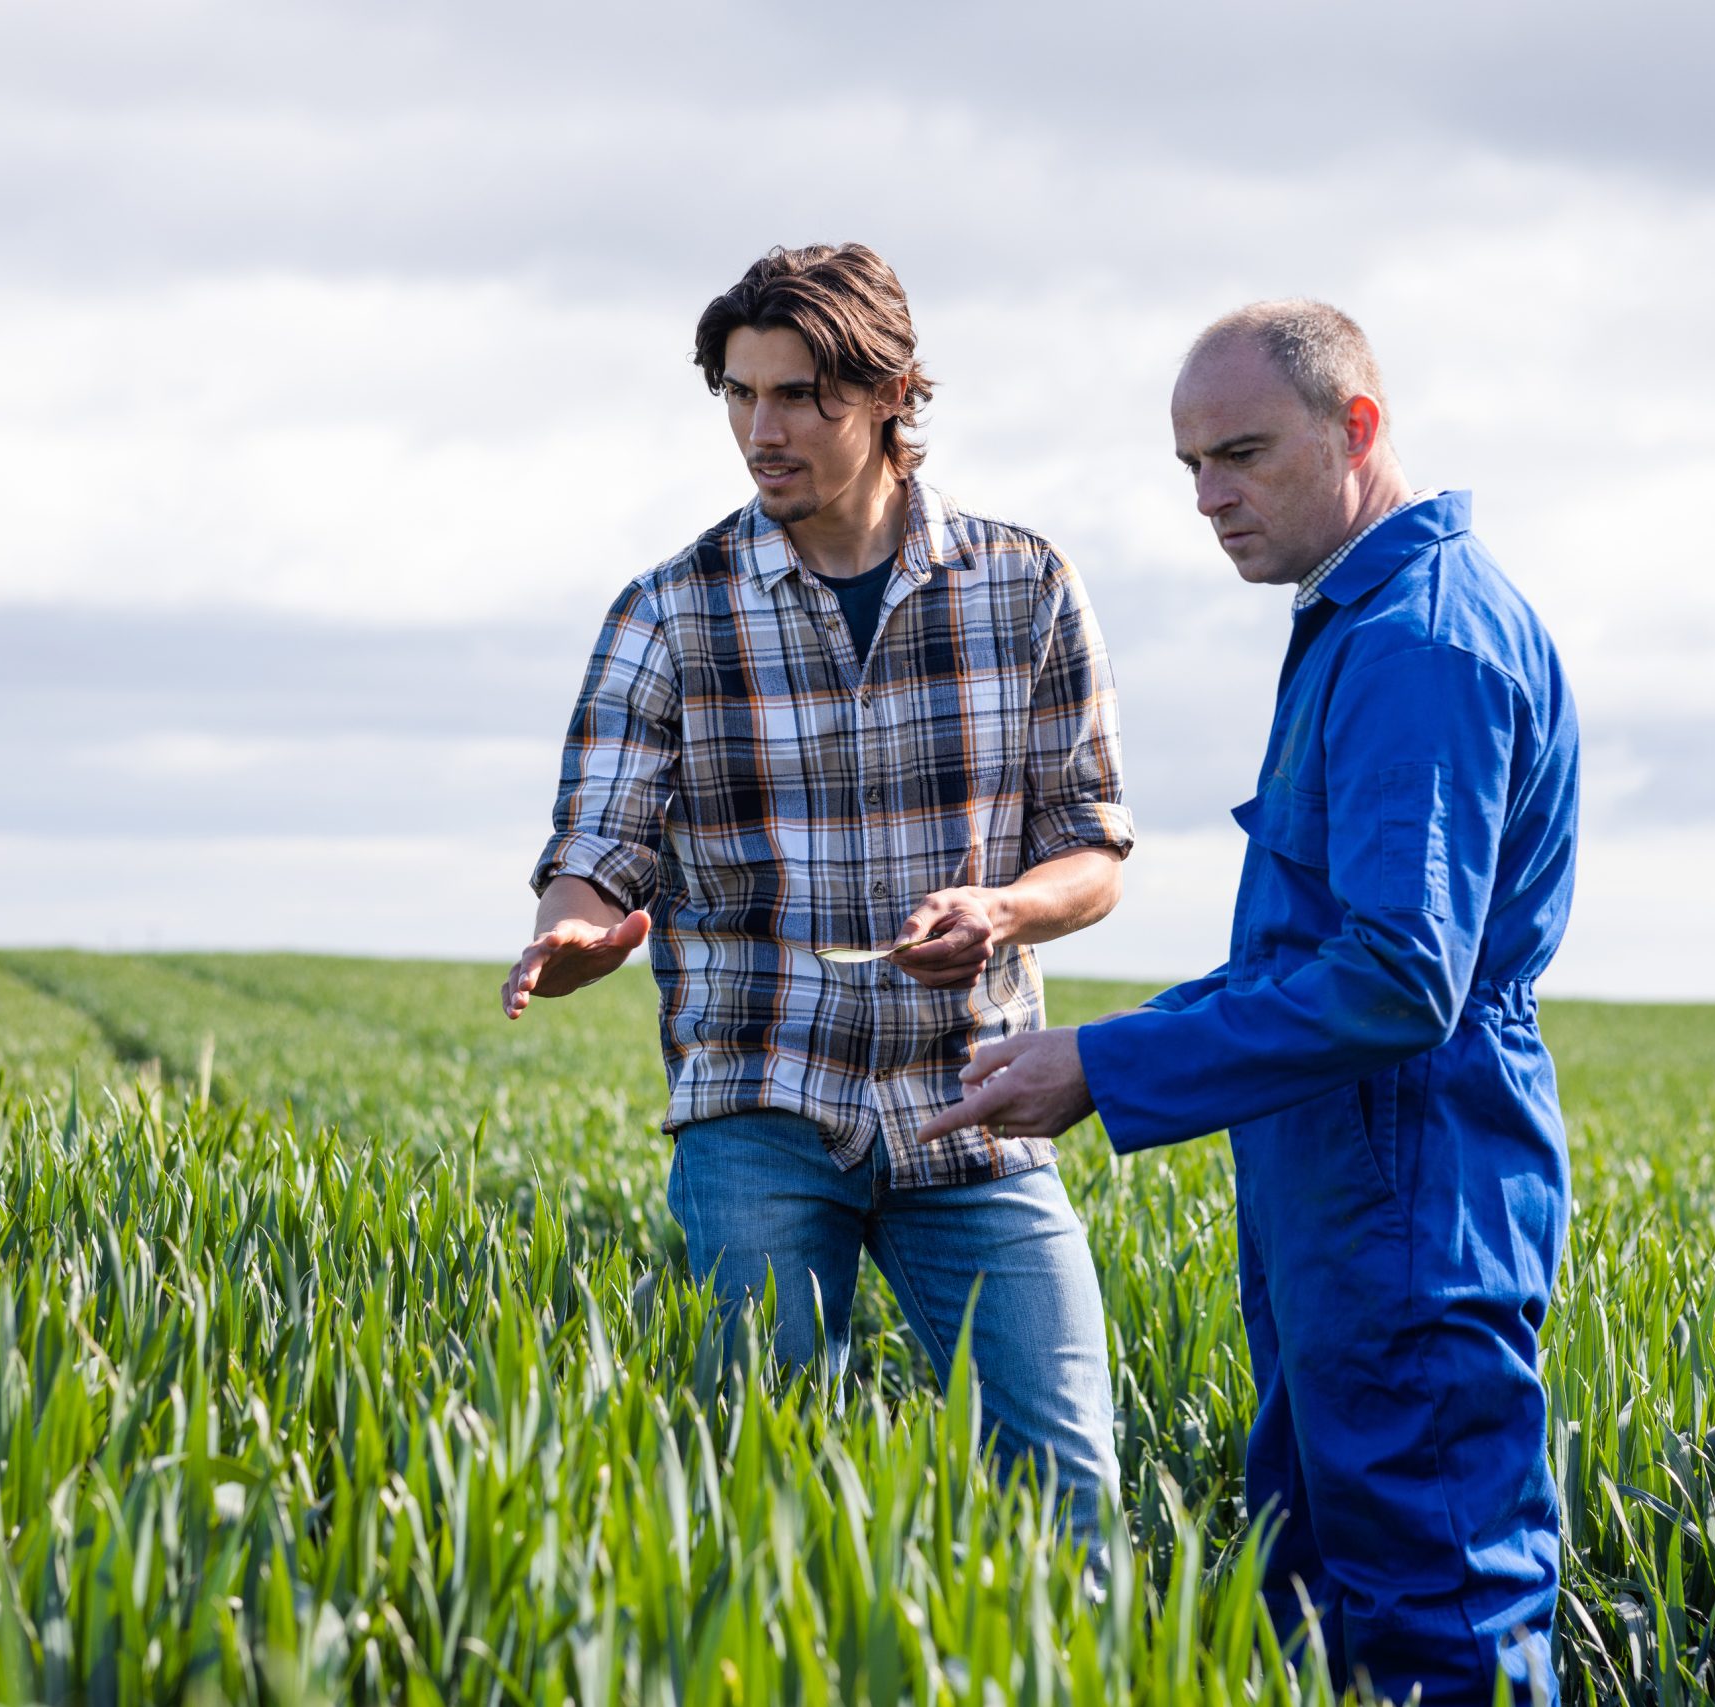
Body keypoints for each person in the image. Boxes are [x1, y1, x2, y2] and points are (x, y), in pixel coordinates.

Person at [918, 300, 1580, 1698]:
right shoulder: (1357, 618)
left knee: (1437, 1617)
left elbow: (1400, 974)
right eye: (1191, 468)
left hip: (1412, 1183)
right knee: (1325, 1605)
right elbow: (1305, 951)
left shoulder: (1420, 643)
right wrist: (1101, 1047)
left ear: (1358, 430)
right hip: (1336, 1189)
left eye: (1244, 455)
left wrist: (1105, 1072)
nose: (1213, 499)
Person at [503, 243, 1132, 1552]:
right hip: (760, 1103)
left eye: (800, 398)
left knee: (1070, 1488)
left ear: (894, 395)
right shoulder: (671, 613)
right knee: (762, 1505)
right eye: (738, 395)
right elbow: (602, 839)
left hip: (976, 1102)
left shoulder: (1026, 586)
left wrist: (1005, 913)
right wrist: (573, 926)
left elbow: (1093, 854)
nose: (760, 430)